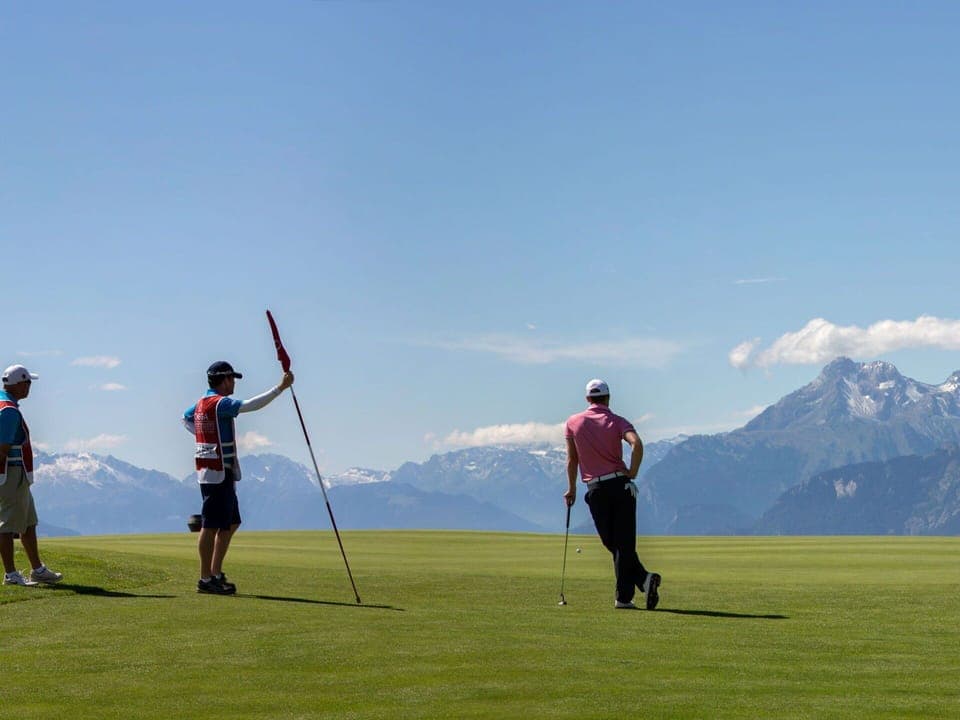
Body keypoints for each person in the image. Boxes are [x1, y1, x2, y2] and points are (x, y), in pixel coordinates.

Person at [183, 361, 293, 595]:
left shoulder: (202, 404)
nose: (234, 383)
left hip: (220, 470)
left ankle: (215, 572)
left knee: (232, 522)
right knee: (211, 525)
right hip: (217, 472)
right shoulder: (219, 403)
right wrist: (280, 388)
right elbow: (250, 405)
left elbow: (186, 418)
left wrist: (202, 437)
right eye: (232, 379)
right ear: (223, 380)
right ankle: (206, 578)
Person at [564, 378, 661, 610]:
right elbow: (636, 444)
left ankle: (625, 596)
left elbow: (572, 459)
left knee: (614, 543)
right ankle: (643, 581)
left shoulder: (572, 422)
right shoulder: (618, 421)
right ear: (608, 398)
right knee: (622, 544)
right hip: (621, 486)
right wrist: (633, 472)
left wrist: (572, 488)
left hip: (595, 489)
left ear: (588, 399)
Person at [0, 364, 63, 587]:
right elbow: (3, 448)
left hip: (16, 473)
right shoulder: (8, 410)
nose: (29, 387)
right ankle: (11, 575)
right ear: (18, 383)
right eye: (27, 383)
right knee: (6, 525)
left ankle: (37, 569)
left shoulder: (4, 403)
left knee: (28, 522)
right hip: (11, 472)